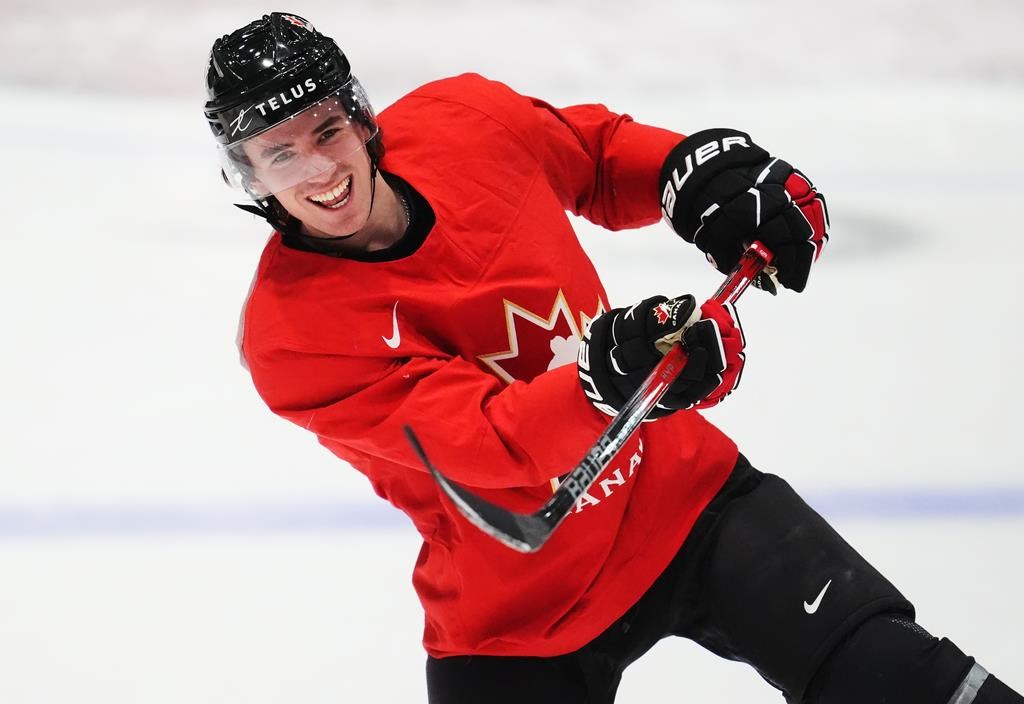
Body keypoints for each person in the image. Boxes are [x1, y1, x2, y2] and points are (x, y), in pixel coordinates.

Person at [204, 12, 1022, 704]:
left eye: (327, 130)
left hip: (686, 499)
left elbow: (591, 156)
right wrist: (604, 381)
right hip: (517, 616)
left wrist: (687, 174)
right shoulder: (291, 336)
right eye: (281, 155)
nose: (320, 170)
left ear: (361, 118)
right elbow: (488, 448)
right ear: (250, 177)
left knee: (910, 681)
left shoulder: (463, 121)